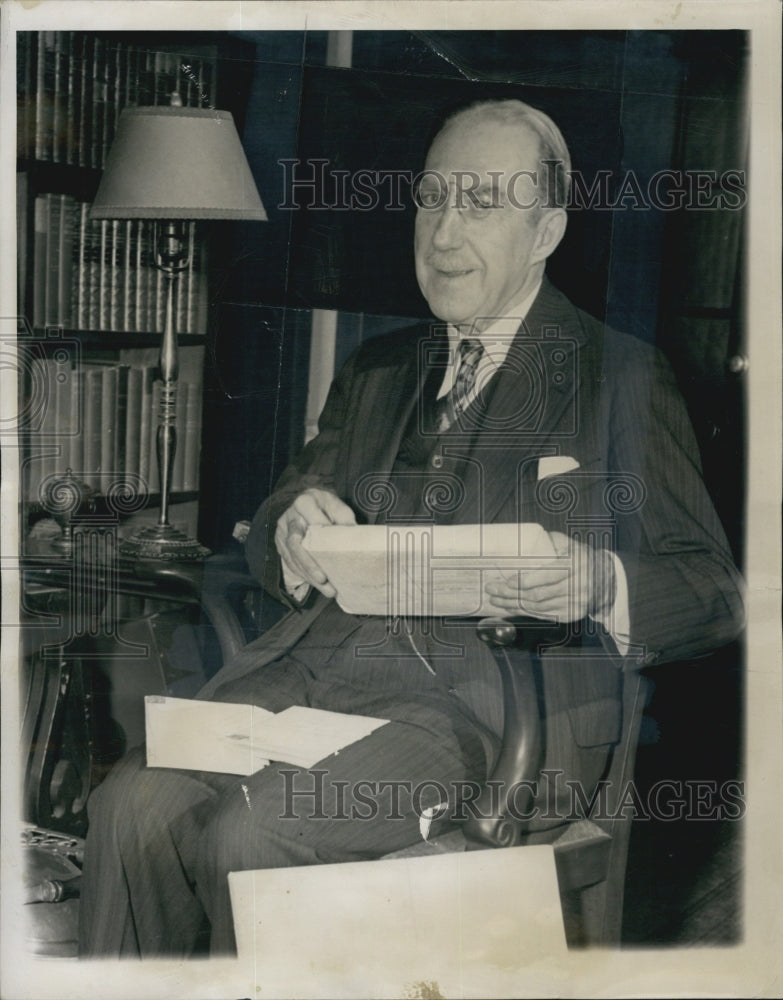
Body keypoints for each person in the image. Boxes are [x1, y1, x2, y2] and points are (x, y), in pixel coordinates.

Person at [78, 99, 744, 957]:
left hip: (496, 711)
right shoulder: (379, 368)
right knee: (130, 805)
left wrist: (597, 581)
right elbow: (284, 512)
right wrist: (290, 529)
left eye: (482, 204)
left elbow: (714, 592)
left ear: (544, 231)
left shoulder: (618, 376)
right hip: (311, 682)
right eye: (432, 199)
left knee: (259, 834)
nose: (443, 232)